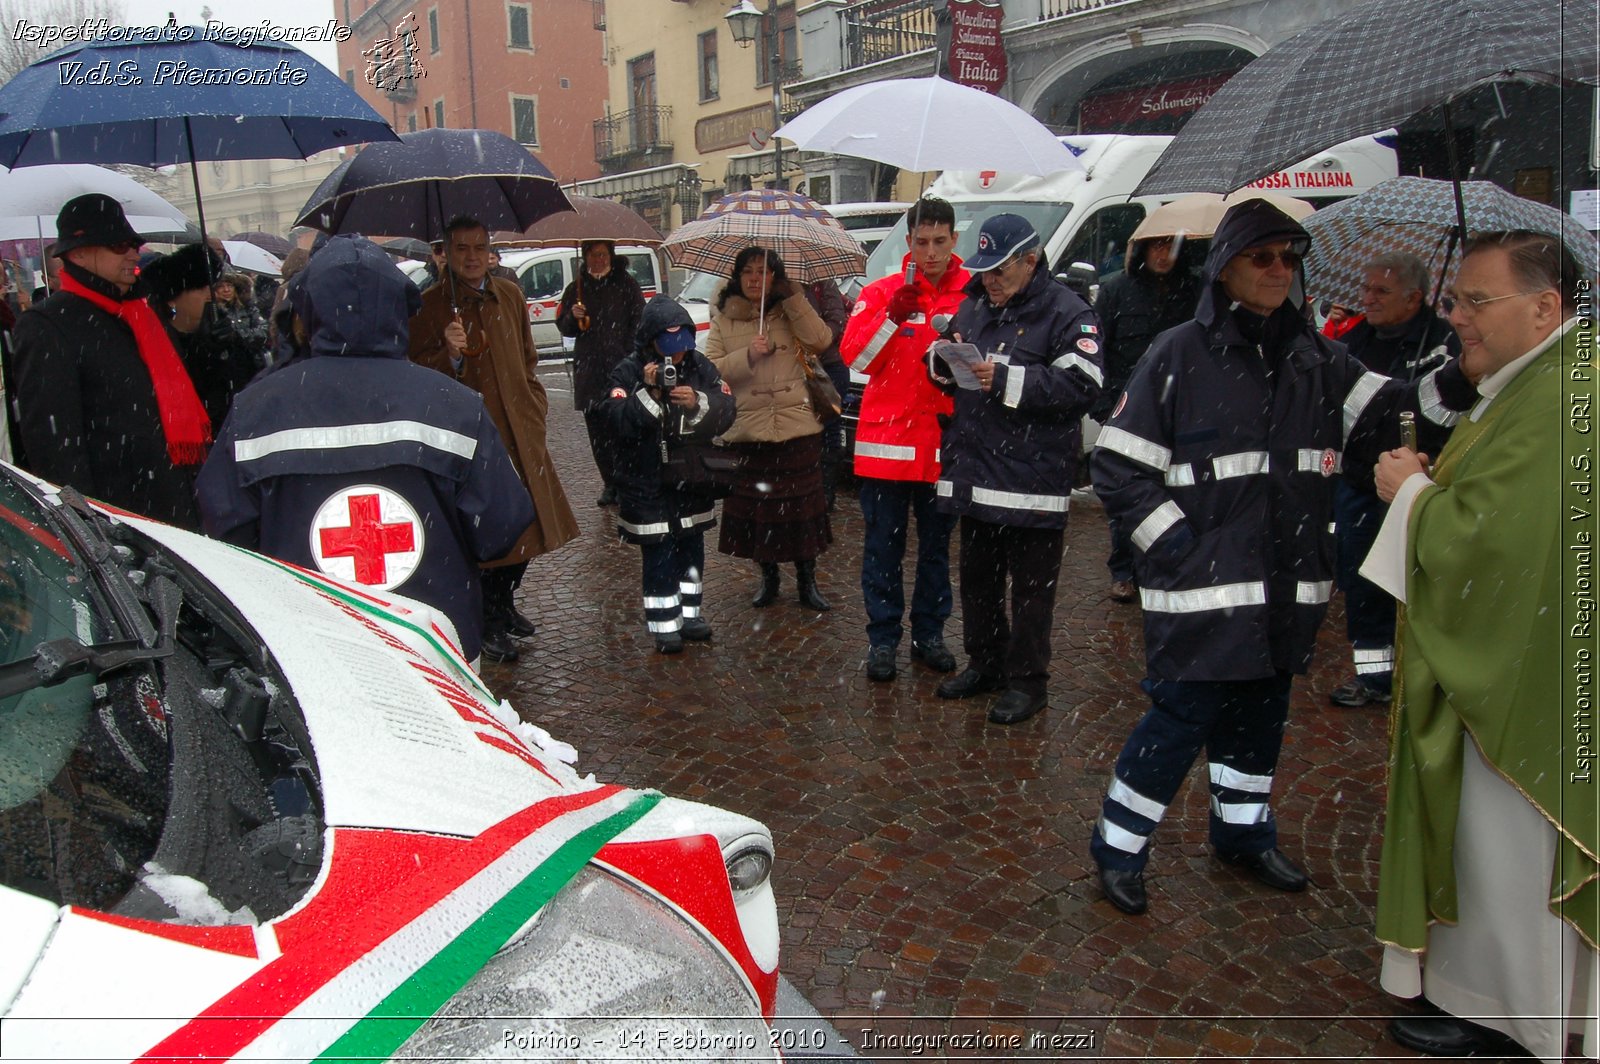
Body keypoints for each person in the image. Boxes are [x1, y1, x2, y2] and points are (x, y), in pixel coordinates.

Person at [1087, 199, 1477, 918]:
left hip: (1288, 588)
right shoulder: (1179, 353)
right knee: (1177, 724)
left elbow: (1399, 420)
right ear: (1228, 265)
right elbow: (1118, 467)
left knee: (1260, 720)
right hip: (1200, 592)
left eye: (1289, 258)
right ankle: (1118, 845)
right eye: (1263, 256)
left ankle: (1242, 833)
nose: (1279, 270)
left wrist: (1454, 371)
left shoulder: (1319, 358)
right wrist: (1177, 549)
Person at [1367, 231, 1596, 1063]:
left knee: (1510, 849)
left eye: (1476, 301)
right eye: (1456, 299)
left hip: (1525, 680)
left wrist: (1414, 494)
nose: (1457, 316)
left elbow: (1501, 546)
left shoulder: (1565, 391)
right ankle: (1490, 997)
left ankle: (1514, 1015)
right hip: (1526, 660)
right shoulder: (1539, 382)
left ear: (1545, 308)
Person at [196, 235, 534, 667]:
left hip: (313, 653)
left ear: (308, 310)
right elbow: (501, 527)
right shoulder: (454, 405)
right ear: (399, 310)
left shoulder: (257, 408)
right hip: (436, 647)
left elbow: (224, 529)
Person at [933, 213, 1103, 724]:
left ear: (1031, 261)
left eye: (1000, 272)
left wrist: (1007, 379)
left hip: (1033, 481)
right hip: (977, 474)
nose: (990, 282)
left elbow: (1083, 387)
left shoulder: (1070, 313)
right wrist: (940, 364)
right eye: (984, 271)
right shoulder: (977, 305)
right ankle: (985, 663)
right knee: (978, 582)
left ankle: (1029, 682)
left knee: (1031, 592)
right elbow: (954, 358)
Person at [408, 214, 580, 664]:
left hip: (520, 431)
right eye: (461, 248)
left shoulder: (509, 294)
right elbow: (416, 375)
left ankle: (504, 604)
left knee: (527, 523)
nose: (471, 257)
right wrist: (446, 352)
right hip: (472, 438)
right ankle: (484, 618)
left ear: (489, 252)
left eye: (479, 248)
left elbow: (526, 359)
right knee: (486, 532)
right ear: (444, 252)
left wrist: (535, 408)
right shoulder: (430, 306)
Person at [12, 194, 210, 527]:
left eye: (134, 244)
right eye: (119, 245)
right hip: (118, 516)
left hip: (173, 503)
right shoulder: (48, 325)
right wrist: (89, 525)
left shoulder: (143, 314)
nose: (133, 253)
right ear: (80, 253)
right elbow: (55, 448)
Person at [839, 197, 967, 683]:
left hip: (943, 453)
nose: (930, 252)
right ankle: (883, 639)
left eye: (939, 241)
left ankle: (929, 634)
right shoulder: (879, 293)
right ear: (908, 242)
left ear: (954, 240)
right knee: (882, 552)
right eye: (921, 241)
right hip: (885, 454)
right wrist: (892, 317)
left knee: (937, 552)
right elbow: (858, 359)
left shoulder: (971, 296)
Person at [1327, 252, 1457, 709]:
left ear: (1414, 297)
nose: (1368, 299)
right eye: (1365, 289)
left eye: (1380, 291)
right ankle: (1375, 677)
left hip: (1416, 482)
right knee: (1361, 580)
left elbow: (1445, 413)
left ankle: (1421, 674)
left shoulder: (1443, 344)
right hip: (1360, 480)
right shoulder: (1357, 338)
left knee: (1414, 581)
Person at [704, 246, 836, 611]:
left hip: (797, 429)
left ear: (775, 277)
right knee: (761, 514)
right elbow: (711, 371)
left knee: (802, 514)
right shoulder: (724, 319)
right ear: (737, 276)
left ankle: (808, 581)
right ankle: (769, 579)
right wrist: (747, 355)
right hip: (750, 431)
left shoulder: (790, 310)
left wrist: (794, 297)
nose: (754, 279)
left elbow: (821, 341)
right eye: (748, 271)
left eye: (763, 272)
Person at [602, 295, 736, 654]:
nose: (675, 358)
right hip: (645, 482)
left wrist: (697, 403)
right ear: (649, 341)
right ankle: (664, 625)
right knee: (658, 554)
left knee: (692, 549)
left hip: (690, 481)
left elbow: (726, 408)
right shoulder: (627, 371)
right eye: (668, 349)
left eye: (681, 348)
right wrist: (648, 393)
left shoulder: (700, 366)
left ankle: (691, 614)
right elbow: (614, 421)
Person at [1092, 231, 1201, 604]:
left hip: (1183, 409)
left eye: (1171, 245)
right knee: (1128, 493)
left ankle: (1165, 565)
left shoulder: (1196, 291)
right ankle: (1123, 570)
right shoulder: (1117, 291)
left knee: (1176, 492)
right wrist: (1106, 408)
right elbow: (1098, 352)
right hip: (1128, 411)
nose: (1163, 253)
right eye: (1156, 244)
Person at [556, 239, 645, 507]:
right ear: (585, 257)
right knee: (598, 434)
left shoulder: (626, 285)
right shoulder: (577, 288)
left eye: (603, 254)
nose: (599, 260)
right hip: (590, 372)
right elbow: (565, 327)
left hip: (621, 368)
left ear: (611, 256)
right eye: (594, 255)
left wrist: (629, 356)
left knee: (622, 429)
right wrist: (573, 315)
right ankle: (609, 483)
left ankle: (626, 481)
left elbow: (639, 322)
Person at [803, 276, 851, 512]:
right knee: (804, 430)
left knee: (830, 428)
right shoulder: (776, 284)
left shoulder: (822, 283)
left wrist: (816, 343)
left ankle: (825, 494)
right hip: (797, 367)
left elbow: (835, 320)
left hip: (828, 367)